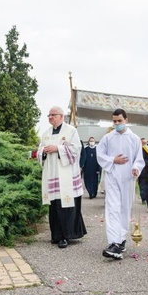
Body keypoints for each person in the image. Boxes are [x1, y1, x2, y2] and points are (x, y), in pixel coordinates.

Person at [96, 108, 145, 260]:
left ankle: (121, 240)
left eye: (119, 121)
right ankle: (113, 242)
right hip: (112, 176)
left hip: (127, 178)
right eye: (114, 121)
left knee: (124, 209)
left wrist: (136, 168)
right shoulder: (108, 138)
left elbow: (139, 158)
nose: (117, 123)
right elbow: (100, 155)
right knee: (112, 209)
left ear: (126, 120)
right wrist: (113, 160)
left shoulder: (134, 138)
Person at [38, 106, 87, 249]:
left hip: (67, 176)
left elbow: (76, 150)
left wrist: (57, 148)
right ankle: (56, 235)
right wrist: (44, 151)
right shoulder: (46, 133)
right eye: (49, 115)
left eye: (53, 115)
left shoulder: (71, 131)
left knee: (65, 206)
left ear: (61, 116)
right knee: (54, 206)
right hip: (52, 174)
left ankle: (66, 236)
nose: (50, 117)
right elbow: (40, 149)